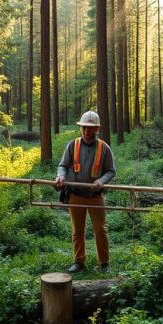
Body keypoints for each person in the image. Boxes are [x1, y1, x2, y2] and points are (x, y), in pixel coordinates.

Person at [54, 111, 116, 274]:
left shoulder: (104, 148)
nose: (87, 132)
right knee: (77, 230)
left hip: (96, 196)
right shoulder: (71, 145)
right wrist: (60, 176)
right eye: (84, 128)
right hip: (75, 195)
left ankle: (104, 263)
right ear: (81, 128)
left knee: (100, 230)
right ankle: (79, 261)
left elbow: (111, 171)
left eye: (91, 128)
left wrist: (100, 181)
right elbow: (63, 166)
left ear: (97, 129)